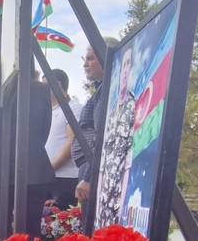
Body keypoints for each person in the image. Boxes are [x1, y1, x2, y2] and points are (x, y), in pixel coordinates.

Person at [0, 59, 54, 241]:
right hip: (34, 167)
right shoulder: (41, 91)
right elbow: (44, 129)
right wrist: (30, 150)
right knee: (31, 233)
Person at [71, 37, 118, 219]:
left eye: (90, 58)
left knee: (92, 227)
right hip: (90, 166)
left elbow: (102, 135)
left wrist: (89, 177)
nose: (85, 64)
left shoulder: (107, 91)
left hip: (95, 170)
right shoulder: (100, 91)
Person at [96, 46, 136, 228]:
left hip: (117, 198)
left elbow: (128, 161)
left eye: (129, 63)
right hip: (103, 198)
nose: (126, 69)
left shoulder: (131, 105)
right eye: (124, 64)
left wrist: (122, 205)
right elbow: (103, 164)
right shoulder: (111, 111)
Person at [44, 69, 84, 211]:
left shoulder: (74, 108)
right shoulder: (47, 111)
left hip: (65, 179)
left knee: (58, 226)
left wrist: (49, 167)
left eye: (44, 85)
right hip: (46, 178)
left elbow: (71, 142)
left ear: (57, 84)